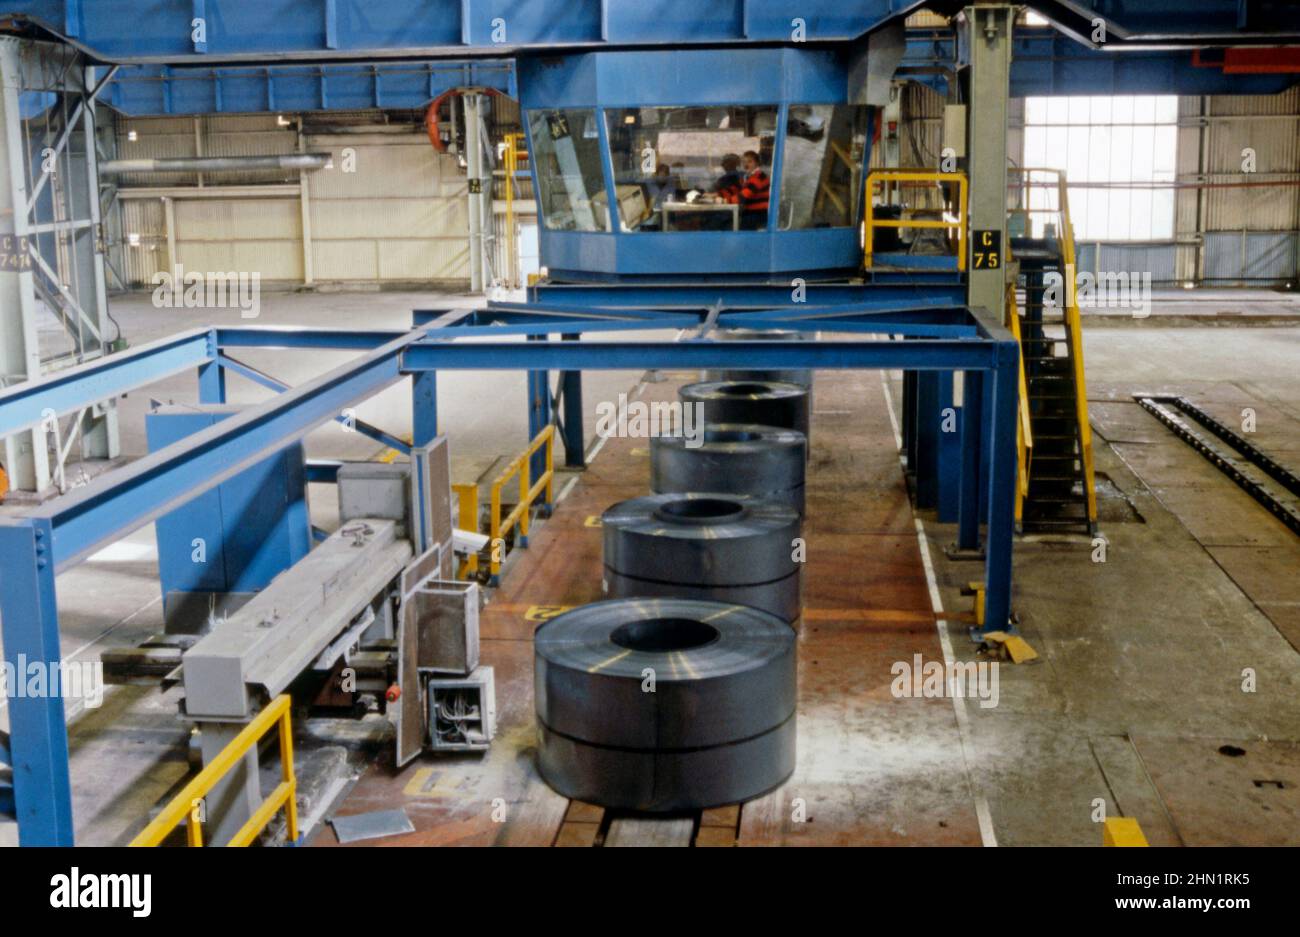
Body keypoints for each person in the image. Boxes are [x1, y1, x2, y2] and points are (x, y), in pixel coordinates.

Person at [732, 150, 769, 230]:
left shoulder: (759, 177)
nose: (746, 165)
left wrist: (725, 200)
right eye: (744, 162)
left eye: (749, 162)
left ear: (757, 163)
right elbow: (737, 190)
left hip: (758, 213)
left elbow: (743, 196)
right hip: (751, 212)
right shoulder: (748, 177)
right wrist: (718, 195)